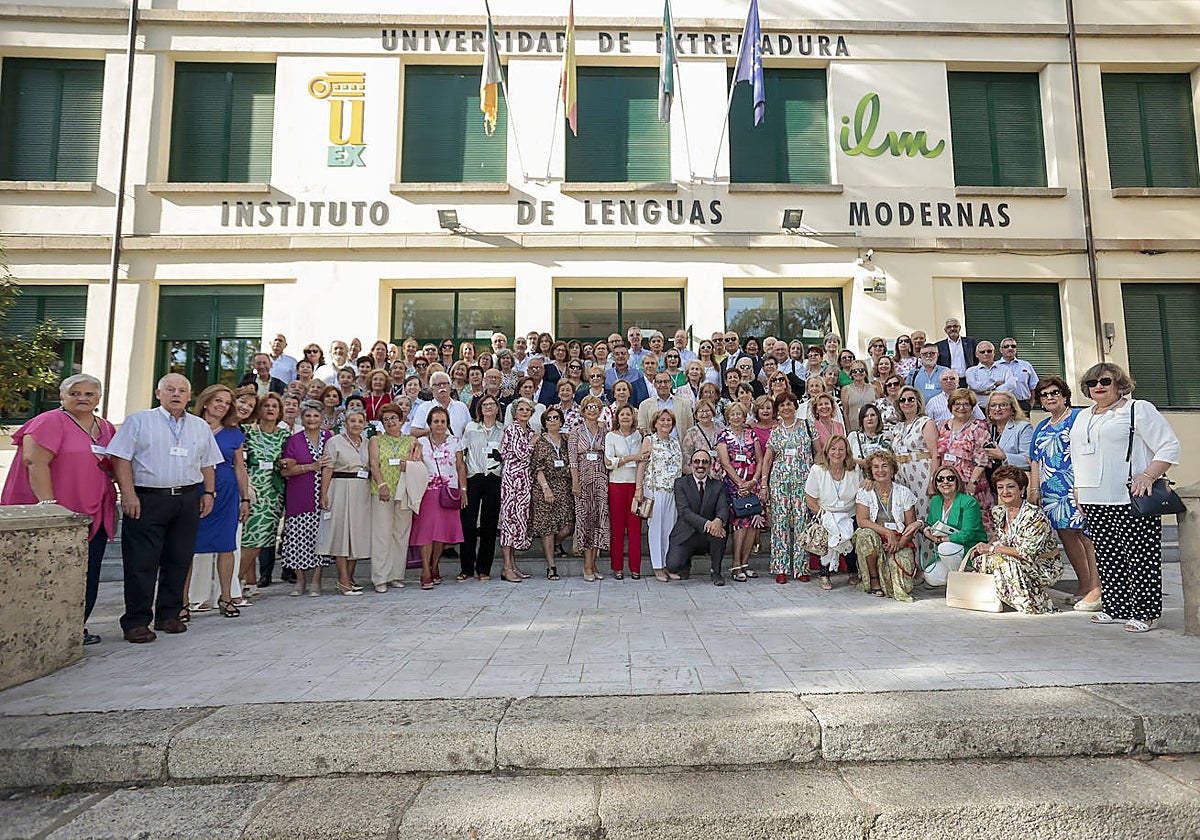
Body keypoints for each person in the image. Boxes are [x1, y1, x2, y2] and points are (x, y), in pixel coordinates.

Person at [2, 374, 117, 645]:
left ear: (98, 399)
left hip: (95, 512)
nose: (82, 398)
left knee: (88, 573)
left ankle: (76, 628)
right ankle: (41, 634)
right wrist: (49, 506)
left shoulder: (106, 428)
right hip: (59, 514)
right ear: (62, 397)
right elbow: (34, 462)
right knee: (45, 576)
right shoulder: (49, 421)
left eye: (89, 394)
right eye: (75, 393)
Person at [107, 374, 222, 643]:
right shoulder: (139, 420)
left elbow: (208, 463)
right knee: (141, 562)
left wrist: (208, 492)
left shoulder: (199, 426)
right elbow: (120, 458)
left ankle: (169, 614)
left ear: (189, 396)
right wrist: (128, 494)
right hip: (148, 499)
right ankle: (136, 622)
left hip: (187, 499)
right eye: (170, 389)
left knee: (179, 559)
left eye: (182, 390)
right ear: (158, 393)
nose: (176, 394)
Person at [1070, 363, 1180, 633]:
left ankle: (1146, 613)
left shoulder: (1137, 409)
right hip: (1094, 496)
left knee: (1140, 557)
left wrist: (1149, 475)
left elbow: (1168, 445)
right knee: (1107, 555)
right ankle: (1115, 607)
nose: (1098, 386)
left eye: (1105, 381)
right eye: (1093, 382)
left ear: (1119, 384)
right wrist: (1078, 489)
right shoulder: (1082, 416)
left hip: (1130, 496)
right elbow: (1078, 456)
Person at [1028, 376, 1100, 609]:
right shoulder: (1042, 426)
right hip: (1052, 491)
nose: (1049, 397)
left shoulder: (1079, 418)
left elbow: (1089, 451)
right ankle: (1084, 584)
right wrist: (1034, 488)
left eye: (1054, 393)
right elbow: (1035, 459)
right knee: (1066, 534)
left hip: (1076, 486)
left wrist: (1082, 485)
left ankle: (1097, 589)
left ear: (1065, 395)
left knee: (1086, 535)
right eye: (1044, 395)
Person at [183, 386, 249, 619]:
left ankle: (226, 597)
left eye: (227, 402)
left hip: (227, 492)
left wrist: (245, 498)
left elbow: (240, 468)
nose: (223, 405)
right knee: (187, 547)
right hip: (194, 490)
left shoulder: (234, 432)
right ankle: (183, 601)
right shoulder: (189, 426)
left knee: (226, 546)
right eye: (218, 400)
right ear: (206, 401)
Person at [965, 466, 1063, 614]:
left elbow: (1027, 553)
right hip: (1014, 558)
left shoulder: (1034, 515)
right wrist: (986, 546)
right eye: (1000, 487)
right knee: (981, 559)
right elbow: (999, 535)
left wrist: (992, 549)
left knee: (1002, 561)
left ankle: (1033, 604)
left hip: (1042, 563)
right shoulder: (999, 511)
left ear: (1022, 489)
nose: (1005, 491)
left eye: (1011, 487)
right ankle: (1006, 597)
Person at [279, 401, 333, 597]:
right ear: (302, 418)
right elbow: (285, 471)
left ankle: (316, 581)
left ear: (322, 418)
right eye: (308, 416)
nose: (312, 419)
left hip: (323, 494)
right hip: (299, 494)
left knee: (320, 538)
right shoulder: (294, 440)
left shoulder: (329, 438)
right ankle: (300, 581)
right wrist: (311, 466)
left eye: (316, 415)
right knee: (297, 538)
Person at [762, 392, 816, 584]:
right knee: (780, 524)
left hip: (804, 482)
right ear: (778, 409)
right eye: (782, 405)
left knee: (802, 522)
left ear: (795, 406)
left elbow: (818, 453)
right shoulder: (776, 431)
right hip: (780, 483)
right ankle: (781, 567)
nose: (786, 408)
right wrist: (764, 484)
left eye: (789, 404)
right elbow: (767, 459)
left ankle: (801, 567)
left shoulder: (808, 425)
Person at [317, 408, 372, 596]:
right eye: (352, 421)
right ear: (345, 423)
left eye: (360, 421)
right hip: (340, 488)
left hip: (361, 490)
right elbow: (327, 469)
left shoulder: (366, 443)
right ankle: (343, 580)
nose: (356, 424)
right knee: (341, 533)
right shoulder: (334, 442)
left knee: (356, 534)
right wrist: (324, 494)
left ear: (364, 424)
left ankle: (350, 577)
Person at [853, 450, 920, 602]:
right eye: (876, 467)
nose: (880, 470)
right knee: (864, 535)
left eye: (884, 466)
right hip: (876, 538)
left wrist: (899, 544)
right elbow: (862, 520)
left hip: (900, 539)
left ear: (892, 469)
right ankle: (874, 579)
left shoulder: (904, 492)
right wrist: (887, 532)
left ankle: (889, 577)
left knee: (901, 586)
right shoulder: (865, 492)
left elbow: (910, 526)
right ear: (871, 470)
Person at [237, 392, 286, 596]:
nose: (270, 409)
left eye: (275, 406)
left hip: (273, 491)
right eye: (266, 405)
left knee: (260, 538)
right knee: (249, 538)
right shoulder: (247, 431)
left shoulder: (284, 435)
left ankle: (249, 583)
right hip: (251, 489)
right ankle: (233, 584)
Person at [889, 386, 939, 572]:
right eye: (903, 400)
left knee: (923, 517)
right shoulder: (900, 427)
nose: (907, 403)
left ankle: (929, 565)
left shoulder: (926, 423)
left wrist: (933, 481)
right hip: (902, 476)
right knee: (907, 518)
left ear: (918, 402)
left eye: (911, 399)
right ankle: (914, 564)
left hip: (921, 473)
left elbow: (935, 454)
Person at [664, 450, 730, 585]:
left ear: (710, 465)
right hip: (686, 533)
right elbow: (684, 511)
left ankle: (716, 572)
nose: (700, 465)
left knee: (720, 531)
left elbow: (723, 508)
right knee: (673, 565)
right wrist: (708, 524)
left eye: (705, 462)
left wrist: (718, 521)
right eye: (697, 461)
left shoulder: (718, 485)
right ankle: (685, 564)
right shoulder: (680, 483)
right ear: (690, 464)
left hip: (709, 534)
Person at [715, 402, 765, 582]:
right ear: (728, 417)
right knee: (740, 524)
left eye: (739, 414)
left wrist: (754, 481)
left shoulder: (752, 434)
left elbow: (760, 460)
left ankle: (745, 563)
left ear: (744, 416)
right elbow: (725, 462)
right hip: (733, 485)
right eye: (733, 414)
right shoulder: (723, 435)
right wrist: (740, 483)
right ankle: (736, 565)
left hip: (752, 484)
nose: (736, 417)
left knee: (752, 524)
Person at [805, 434, 861, 589]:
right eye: (833, 449)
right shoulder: (817, 470)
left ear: (847, 452)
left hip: (849, 513)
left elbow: (861, 494)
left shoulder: (854, 470)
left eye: (841, 449)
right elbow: (810, 499)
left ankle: (853, 570)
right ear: (827, 451)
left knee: (850, 532)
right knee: (830, 530)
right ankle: (824, 573)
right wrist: (825, 518)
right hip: (825, 513)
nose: (837, 453)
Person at [459, 394, 503, 582]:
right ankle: (467, 568)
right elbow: (462, 454)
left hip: (493, 478)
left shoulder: (503, 430)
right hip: (474, 477)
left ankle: (484, 568)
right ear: (479, 408)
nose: (488, 407)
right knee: (468, 523)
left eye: (492, 404)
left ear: (497, 408)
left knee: (489, 525)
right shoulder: (471, 428)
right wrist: (462, 486)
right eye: (485, 404)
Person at [635, 409, 683, 582]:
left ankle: (669, 565)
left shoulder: (675, 442)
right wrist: (638, 488)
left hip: (673, 491)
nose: (665, 423)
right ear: (655, 423)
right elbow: (642, 465)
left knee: (670, 529)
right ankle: (657, 566)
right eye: (662, 420)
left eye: (669, 420)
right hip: (655, 490)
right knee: (656, 529)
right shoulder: (650, 440)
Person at [528, 408, 575, 581]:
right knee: (547, 528)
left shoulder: (566, 440)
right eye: (549, 418)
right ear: (545, 422)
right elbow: (537, 467)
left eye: (556, 418)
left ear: (561, 421)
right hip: (545, 487)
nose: (553, 420)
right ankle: (551, 566)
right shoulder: (540, 441)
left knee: (567, 527)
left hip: (564, 487)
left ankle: (555, 544)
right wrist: (546, 488)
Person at [937, 388, 995, 518]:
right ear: (950, 406)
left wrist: (972, 483)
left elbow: (983, 459)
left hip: (970, 482)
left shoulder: (979, 426)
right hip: (948, 482)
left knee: (971, 518)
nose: (961, 408)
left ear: (972, 407)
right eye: (957, 404)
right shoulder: (944, 425)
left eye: (966, 404)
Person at [571, 396, 611, 581]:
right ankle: (587, 566)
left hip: (601, 480)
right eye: (589, 407)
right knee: (586, 521)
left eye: (596, 407)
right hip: (583, 480)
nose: (592, 410)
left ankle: (593, 564)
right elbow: (572, 460)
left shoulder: (605, 431)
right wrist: (575, 482)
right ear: (583, 410)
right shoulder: (576, 431)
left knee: (599, 521)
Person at [922, 467, 987, 579]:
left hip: (969, 548)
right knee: (930, 577)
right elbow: (930, 523)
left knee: (944, 548)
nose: (945, 482)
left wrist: (940, 540)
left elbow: (967, 534)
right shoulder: (936, 501)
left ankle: (964, 579)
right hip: (949, 552)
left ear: (957, 481)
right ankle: (961, 577)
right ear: (936, 484)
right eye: (940, 479)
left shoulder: (969, 502)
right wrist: (926, 530)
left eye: (950, 478)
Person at [499, 398, 539, 583]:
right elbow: (522, 453)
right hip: (512, 480)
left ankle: (513, 565)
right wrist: (533, 441)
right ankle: (507, 567)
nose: (524, 412)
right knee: (509, 522)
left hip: (524, 480)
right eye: (521, 409)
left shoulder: (529, 430)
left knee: (518, 521)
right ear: (515, 412)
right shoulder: (512, 429)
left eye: (527, 409)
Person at [606, 403, 645, 579]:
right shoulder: (610, 436)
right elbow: (609, 462)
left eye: (628, 414)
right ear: (617, 418)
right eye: (622, 415)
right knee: (617, 527)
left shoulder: (639, 436)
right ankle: (618, 567)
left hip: (635, 484)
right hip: (617, 484)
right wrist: (631, 457)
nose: (625, 417)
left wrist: (622, 460)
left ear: (633, 417)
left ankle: (635, 567)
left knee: (635, 528)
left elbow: (643, 459)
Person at [983, 392, 1033, 481]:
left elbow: (1028, 461)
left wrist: (1004, 456)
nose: (997, 409)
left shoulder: (1023, 427)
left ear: (1013, 409)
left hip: (1011, 482)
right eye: (993, 405)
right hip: (986, 482)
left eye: (1003, 405)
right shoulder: (984, 428)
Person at [411, 371, 471, 438]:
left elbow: (469, 430)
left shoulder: (461, 407)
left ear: (450, 387)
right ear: (432, 389)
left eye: (445, 384)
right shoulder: (424, 408)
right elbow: (414, 432)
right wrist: (433, 430)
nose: (442, 387)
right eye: (438, 384)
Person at [638, 371, 694, 438]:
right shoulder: (645, 405)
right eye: (659, 382)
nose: (663, 385)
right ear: (654, 384)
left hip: (679, 443)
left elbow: (690, 428)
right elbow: (642, 429)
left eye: (666, 381)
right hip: (654, 443)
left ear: (671, 383)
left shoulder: (684, 404)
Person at [994, 337, 1040, 413]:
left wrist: (1031, 404)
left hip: (1022, 405)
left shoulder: (1026, 365)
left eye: (1013, 346)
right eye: (1006, 346)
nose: (1010, 348)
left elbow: (1034, 386)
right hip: (1000, 405)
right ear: (1001, 350)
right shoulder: (994, 366)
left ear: (1016, 349)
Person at [681, 399, 721, 472]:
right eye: (701, 411)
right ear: (696, 415)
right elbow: (686, 455)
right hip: (700, 471)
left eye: (707, 411)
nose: (704, 414)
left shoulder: (721, 427)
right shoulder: (691, 432)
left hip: (721, 471)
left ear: (712, 412)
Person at [849, 404, 892, 471]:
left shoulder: (888, 436)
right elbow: (846, 459)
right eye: (866, 416)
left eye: (872, 415)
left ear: (878, 417)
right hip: (860, 476)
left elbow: (894, 460)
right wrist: (861, 462)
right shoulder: (853, 436)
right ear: (861, 420)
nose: (870, 418)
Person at [840, 360, 874, 432]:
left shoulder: (874, 389)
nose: (858, 373)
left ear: (865, 372)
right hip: (854, 429)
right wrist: (849, 431)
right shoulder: (845, 389)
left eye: (861, 370)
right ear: (851, 374)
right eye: (855, 371)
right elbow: (845, 413)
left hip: (872, 429)